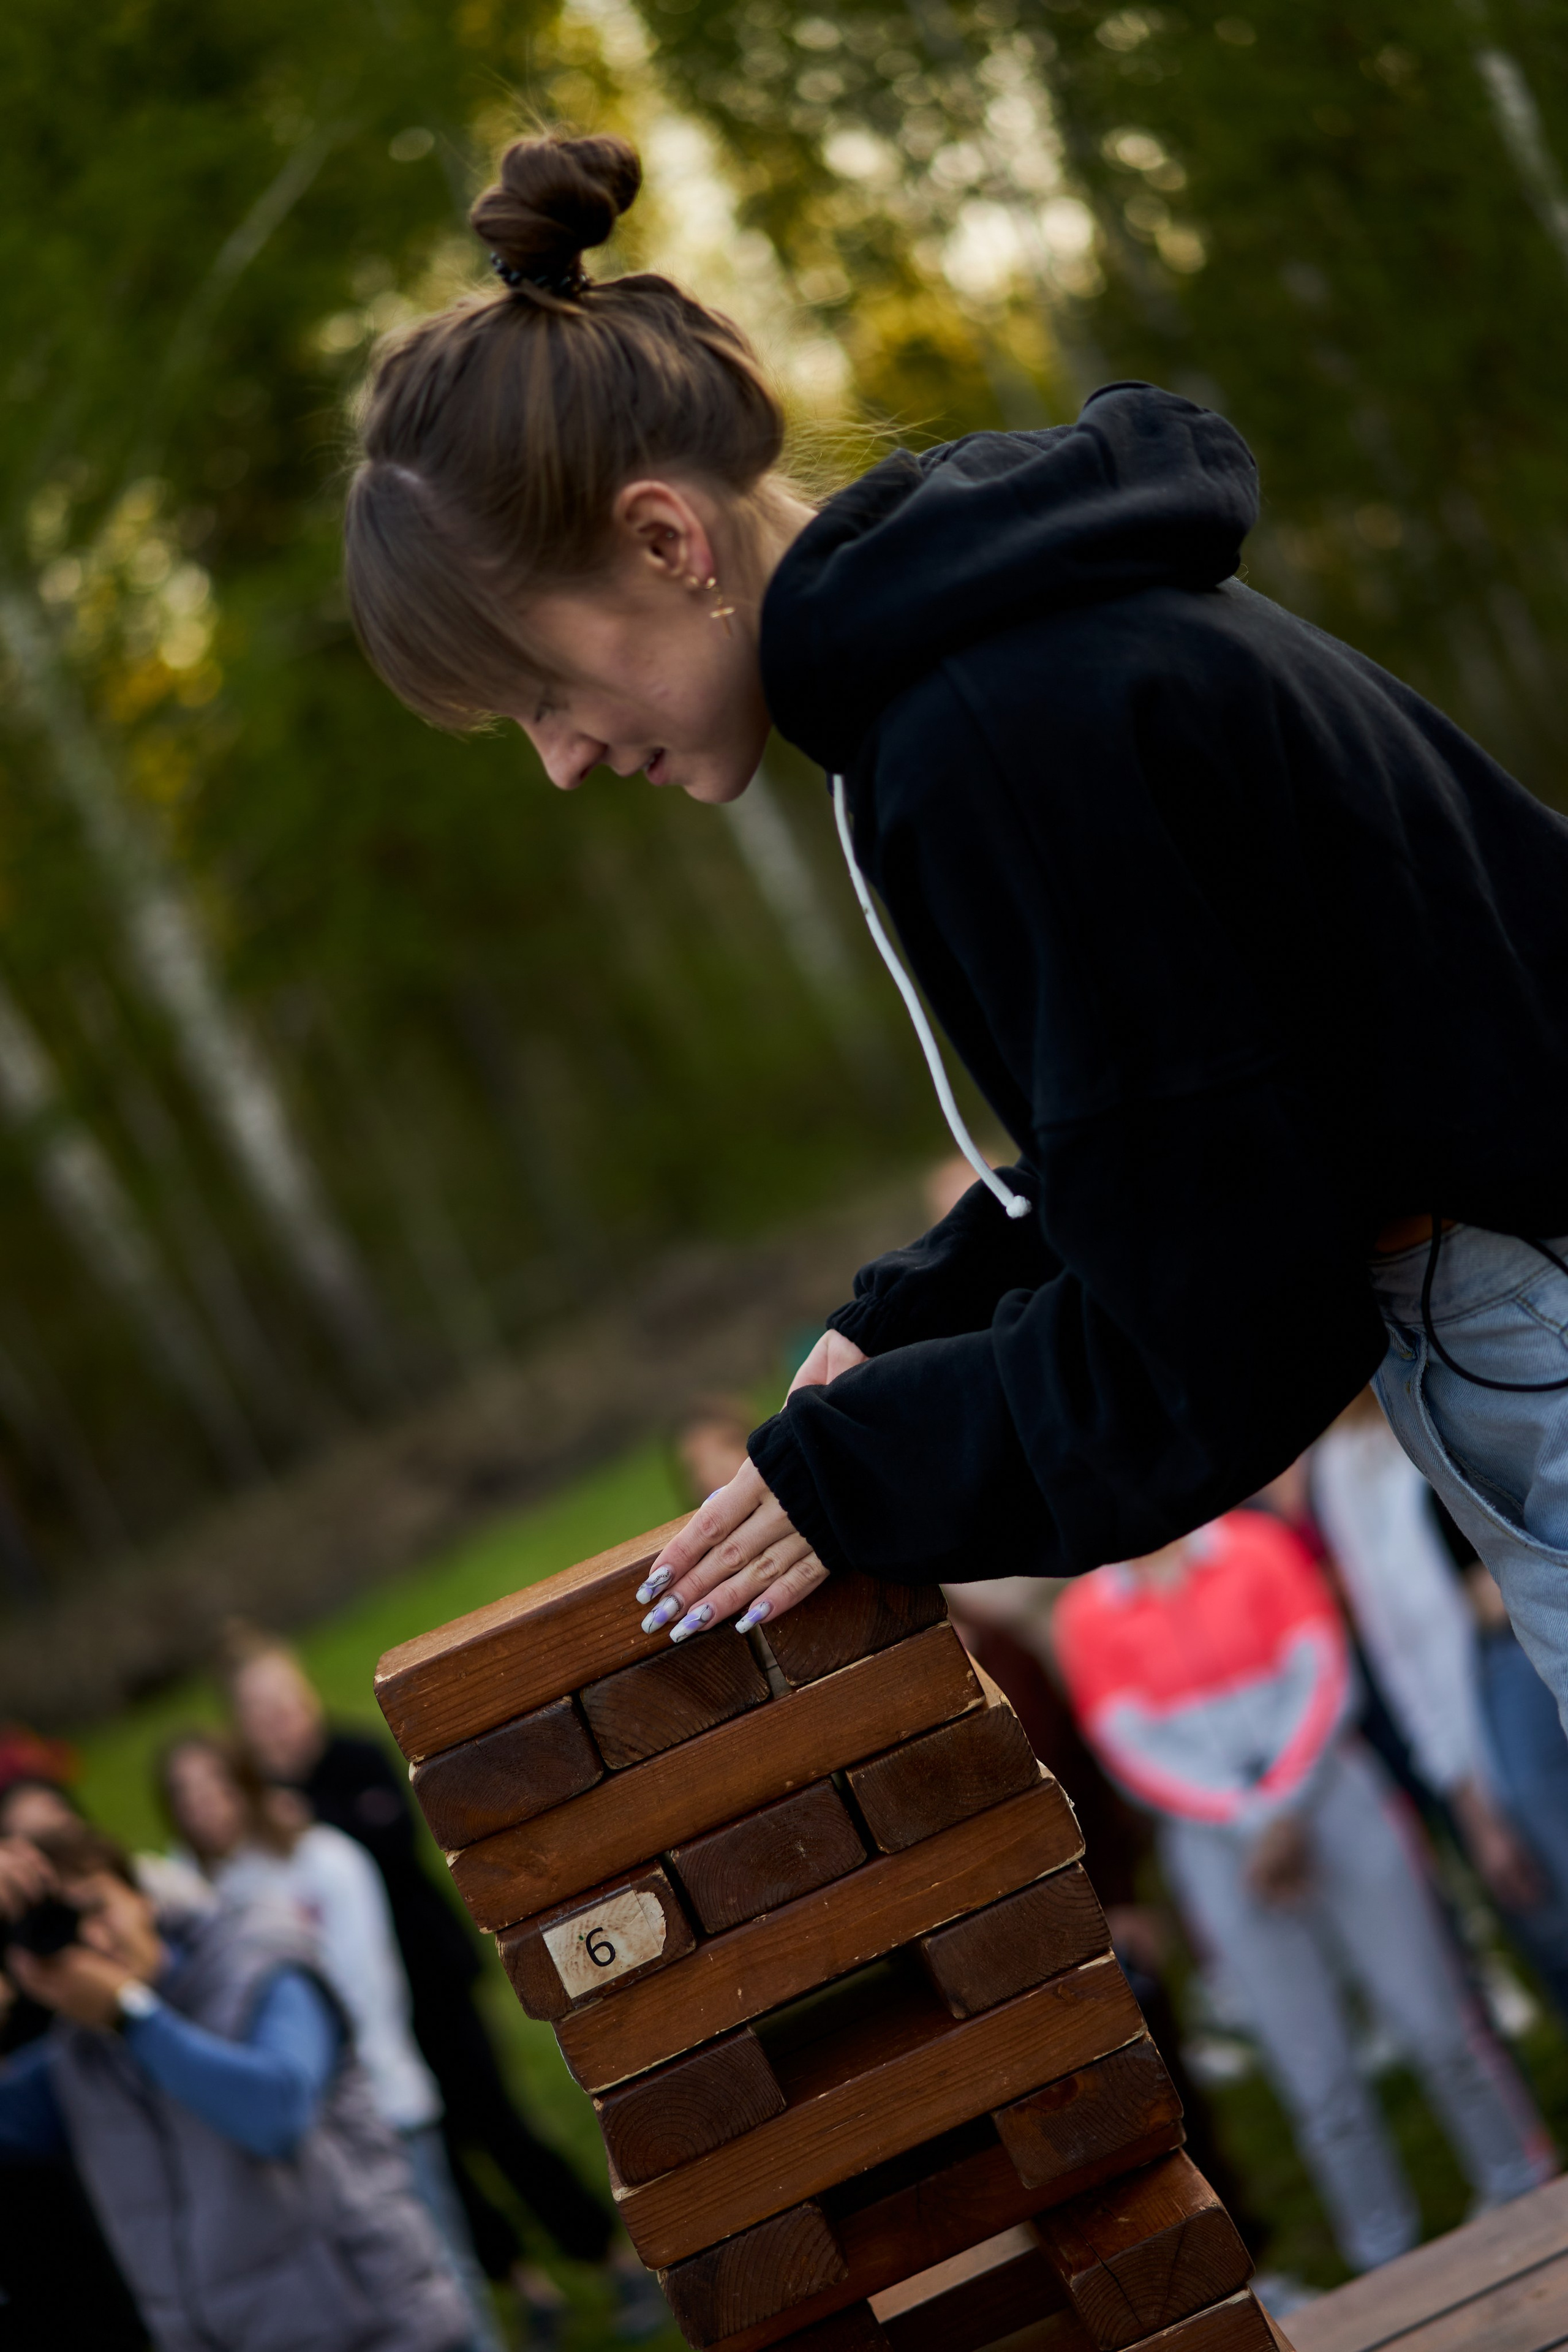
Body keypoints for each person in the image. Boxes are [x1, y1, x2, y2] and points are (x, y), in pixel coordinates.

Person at [342, 129, 1568, 1725]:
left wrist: (861, 1471)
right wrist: (910, 1316)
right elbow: (1198, 1127)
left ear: (666, 541)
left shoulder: (988, 735)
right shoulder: (996, 661)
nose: (563, 759)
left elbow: (1230, 1315)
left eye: (546, 690)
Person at [1052, 1509, 1555, 2274]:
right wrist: (1245, 1819)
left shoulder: (1255, 1546)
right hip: (1221, 1850)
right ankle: (1382, 2253)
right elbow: (1129, 1746)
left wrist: (1281, 1805)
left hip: (1335, 1801)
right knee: (1311, 2071)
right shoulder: (1087, 1613)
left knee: (1436, 2018)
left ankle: (1523, 2182)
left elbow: (1323, 1667)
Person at [219, 1630, 663, 2341]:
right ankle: (520, 2281)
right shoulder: (251, 1807)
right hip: (352, 2010)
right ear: (240, 1724)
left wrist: (311, 1822)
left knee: (497, 2124)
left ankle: (608, 2257)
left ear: (303, 1694)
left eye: (283, 1699)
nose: (277, 1719)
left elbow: (393, 1842)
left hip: (427, 1982)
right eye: (258, 1710)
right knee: (433, 2152)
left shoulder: (353, 1758)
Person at [0, 1819, 472, 2352]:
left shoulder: (260, 1967)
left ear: (141, 1898)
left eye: (94, 1909)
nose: (90, 1941)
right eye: (56, 1930)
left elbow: (274, 2115)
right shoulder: (77, 2058)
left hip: (381, 2334)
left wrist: (134, 2016)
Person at [157, 1731, 501, 2352]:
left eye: (216, 1785)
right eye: (187, 1794)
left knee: (443, 2271)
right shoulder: (186, 1898)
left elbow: (366, 1989)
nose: (205, 1805)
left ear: (246, 1784)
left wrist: (300, 2079)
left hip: (380, 2103)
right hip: (287, 2148)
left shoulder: (323, 1860)